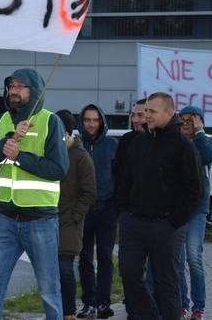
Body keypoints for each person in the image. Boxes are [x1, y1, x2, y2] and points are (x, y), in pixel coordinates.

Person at [0, 68, 70, 320]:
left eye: (21, 86)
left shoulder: (51, 121)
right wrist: (8, 139)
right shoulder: (3, 122)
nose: (14, 91)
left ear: (36, 91)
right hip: (6, 219)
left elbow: (59, 169)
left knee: (49, 290)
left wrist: (19, 157)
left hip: (40, 220)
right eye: (11, 86)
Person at [116, 92, 200, 320]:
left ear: (169, 112)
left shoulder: (183, 145)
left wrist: (174, 222)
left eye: (152, 112)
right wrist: (124, 212)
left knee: (166, 285)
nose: (146, 116)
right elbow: (125, 178)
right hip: (134, 224)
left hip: (167, 226)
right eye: (145, 112)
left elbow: (193, 189)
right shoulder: (138, 142)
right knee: (129, 274)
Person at [75, 104, 118, 319]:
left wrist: (116, 205)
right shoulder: (75, 145)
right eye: (87, 120)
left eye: (95, 120)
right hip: (83, 210)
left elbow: (118, 176)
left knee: (105, 257)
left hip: (107, 209)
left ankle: (103, 303)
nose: (91, 124)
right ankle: (89, 303)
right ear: (81, 122)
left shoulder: (112, 145)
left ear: (101, 121)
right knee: (84, 258)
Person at [55, 109, 97, 320]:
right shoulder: (51, 151)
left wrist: (75, 216)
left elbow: (89, 192)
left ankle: (69, 312)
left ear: (69, 132)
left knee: (64, 269)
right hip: (48, 219)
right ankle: (55, 311)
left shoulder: (81, 157)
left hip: (69, 222)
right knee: (50, 273)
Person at [177, 106, 212, 320]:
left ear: (199, 123)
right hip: (177, 209)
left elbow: (207, 157)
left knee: (193, 258)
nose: (185, 124)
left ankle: (198, 307)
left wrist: (200, 132)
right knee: (178, 258)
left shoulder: (206, 142)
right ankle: (182, 303)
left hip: (197, 210)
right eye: (182, 120)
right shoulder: (176, 142)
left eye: (191, 121)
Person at [114, 99, 146, 187]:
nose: (135, 120)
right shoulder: (126, 139)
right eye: (133, 115)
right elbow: (118, 172)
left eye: (140, 115)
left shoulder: (161, 141)